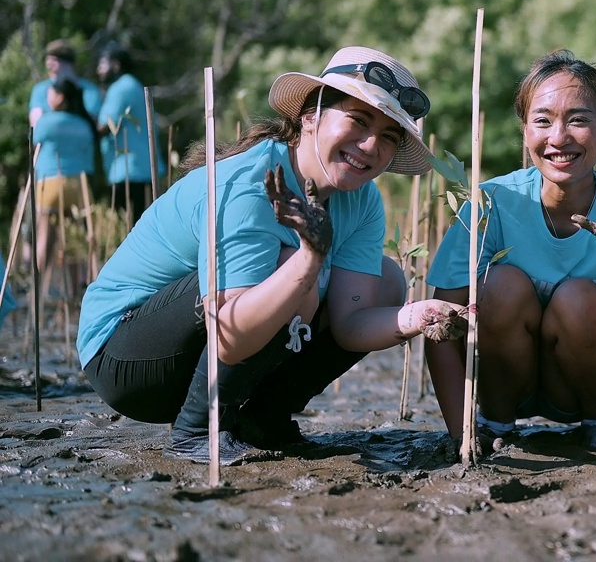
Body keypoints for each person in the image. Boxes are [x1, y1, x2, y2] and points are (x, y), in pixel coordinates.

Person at [77, 46, 470, 465]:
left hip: (210, 352)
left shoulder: (363, 201)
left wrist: (417, 316)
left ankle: (264, 418)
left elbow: (351, 325)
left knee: (388, 280)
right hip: (125, 356)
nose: (370, 145)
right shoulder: (252, 185)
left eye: (389, 138)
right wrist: (308, 261)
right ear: (310, 116)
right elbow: (229, 334)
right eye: (358, 121)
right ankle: (199, 430)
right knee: (295, 276)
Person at [426, 49, 596, 454]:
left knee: (579, 297)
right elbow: (437, 328)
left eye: (579, 120)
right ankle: (493, 422)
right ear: (525, 132)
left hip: (592, 377)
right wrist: (458, 433)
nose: (559, 138)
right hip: (503, 380)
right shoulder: (491, 204)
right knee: (498, 285)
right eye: (543, 121)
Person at [33, 78, 98, 274]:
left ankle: (37, 292)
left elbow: (34, 142)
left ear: (60, 97)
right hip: (78, 184)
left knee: (44, 239)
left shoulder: (45, 121)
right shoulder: (84, 124)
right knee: (73, 242)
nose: (48, 97)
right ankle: (74, 291)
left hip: (50, 182)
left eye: (51, 93)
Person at [97, 44, 165, 225]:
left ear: (116, 65)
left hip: (129, 171)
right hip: (144, 170)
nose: (99, 69)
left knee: (130, 230)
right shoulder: (133, 84)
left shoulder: (121, 87)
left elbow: (104, 128)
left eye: (103, 64)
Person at [30, 39, 103, 127]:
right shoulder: (40, 89)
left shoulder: (90, 90)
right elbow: (36, 123)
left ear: (69, 64)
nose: (49, 65)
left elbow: (92, 120)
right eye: (48, 60)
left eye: (55, 60)